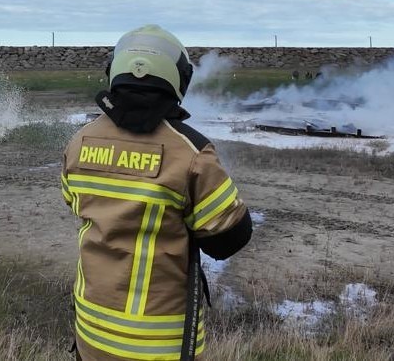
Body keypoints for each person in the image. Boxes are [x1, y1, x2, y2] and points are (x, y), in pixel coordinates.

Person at [61, 25, 252, 361]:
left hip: (91, 331)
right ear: (179, 80)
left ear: (114, 73)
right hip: (159, 343)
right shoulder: (191, 151)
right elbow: (229, 238)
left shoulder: (80, 141)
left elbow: (75, 201)